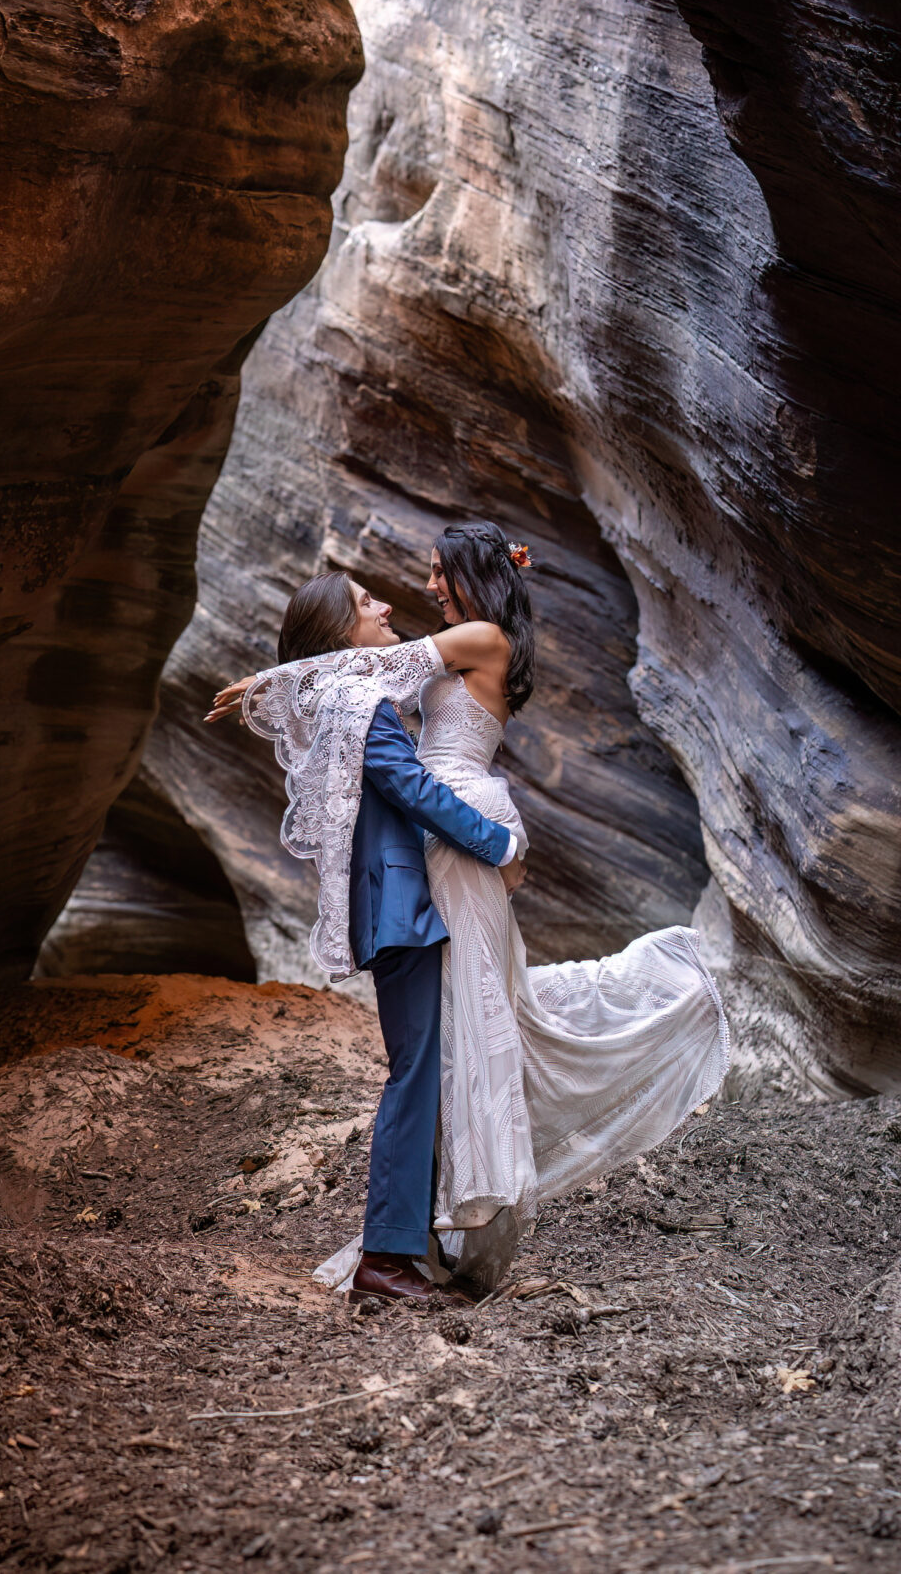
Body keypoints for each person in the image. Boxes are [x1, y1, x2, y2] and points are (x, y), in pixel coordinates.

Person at [212, 525, 729, 1296]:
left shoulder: (477, 638)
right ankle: (403, 1246)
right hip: (439, 849)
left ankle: (405, 1244)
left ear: (465, 573)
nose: (415, 589)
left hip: (459, 831)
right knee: (437, 1054)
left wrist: (279, 676)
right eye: (372, 596)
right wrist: (284, 677)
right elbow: (373, 680)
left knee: (450, 1043)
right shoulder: (407, 674)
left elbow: (383, 670)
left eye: (433, 572)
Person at [250, 571, 525, 1306]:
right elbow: (410, 787)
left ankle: (410, 1246)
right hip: (401, 904)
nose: (384, 608)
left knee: (422, 1072)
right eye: (366, 602)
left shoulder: (344, 692)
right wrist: (497, 844)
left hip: (397, 903)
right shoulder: (360, 701)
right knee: (414, 1077)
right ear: (343, 632)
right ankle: (386, 1261)